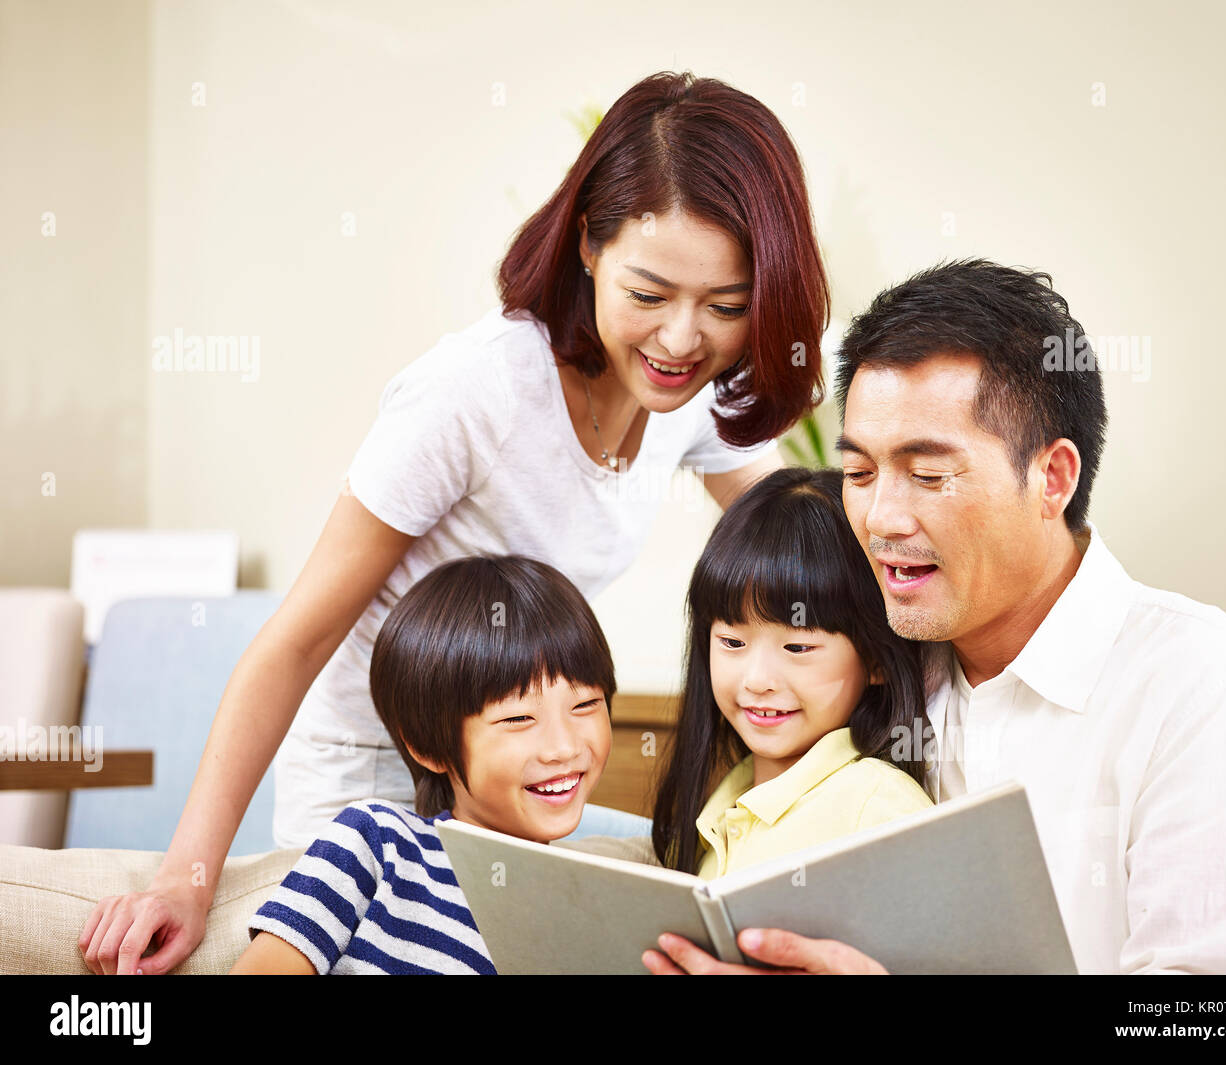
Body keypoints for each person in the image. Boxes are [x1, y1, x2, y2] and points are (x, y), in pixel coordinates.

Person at [79, 70, 828, 975]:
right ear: (587, 244)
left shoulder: (687, 397)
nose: (680, 340)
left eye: (727, 306)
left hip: (514, 782)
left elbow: (803, 549)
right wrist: (186, 877)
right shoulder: (474, 393)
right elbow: (297, 638)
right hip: (380, 780)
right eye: (649, 293)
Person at [644, 258, 1226, 975]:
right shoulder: (869, 668)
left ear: (1052, 478)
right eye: (860, 473)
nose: (882, 517)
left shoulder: (1207, 692)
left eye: (929, 475)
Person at [230, 554, 616, 974]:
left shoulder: (595, 910)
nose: (562, 747)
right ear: (427, 746)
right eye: (518, 718)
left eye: (586, 703)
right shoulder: (377, 843)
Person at [651, 466, 933, 881]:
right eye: (732, 642)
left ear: (875, 658)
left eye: (798, 647)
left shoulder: (877, 810)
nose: (757, 680)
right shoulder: (720, 805)